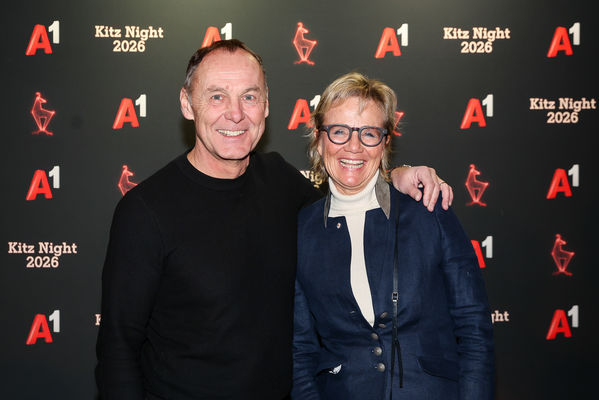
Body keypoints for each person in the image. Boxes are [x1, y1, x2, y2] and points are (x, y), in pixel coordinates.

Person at [95, 40, 453, 400]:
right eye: (217, 97)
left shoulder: (280, 180)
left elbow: (349, 202)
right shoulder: (146, 211)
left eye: (249, 97)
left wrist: (395, 177)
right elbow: (118, 348)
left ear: (265, 105)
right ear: (188, 104)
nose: (235, 114)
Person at [292, 72, 495, 400]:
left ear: (385, 142)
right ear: (319, 138)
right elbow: (300, 351)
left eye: (369, 133)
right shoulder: (303, 230)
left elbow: (473, 328)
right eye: (339, 131)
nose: (354, 146)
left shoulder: (428, 209)